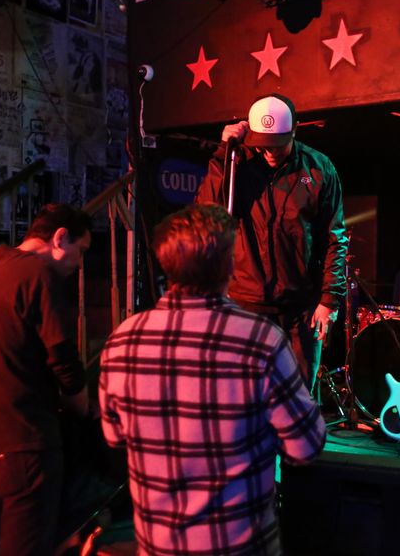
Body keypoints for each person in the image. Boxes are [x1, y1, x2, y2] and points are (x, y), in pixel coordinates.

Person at [99, 203, 326, 555]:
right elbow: (305, 446)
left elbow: (114, 436)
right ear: (229, 266)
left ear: (166, 263)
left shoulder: (122, 342)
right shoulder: (261, 341)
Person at [0, 203, 92, 556]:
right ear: (60, 238)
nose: (79, 264)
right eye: (81, 250)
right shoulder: (39, 275)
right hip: (24, 438)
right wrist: (84, 407)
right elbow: (64, 362)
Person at [196, 94, 348, 390]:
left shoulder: (318, 169)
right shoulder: (236, 162)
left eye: (279, 144)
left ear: (295, 130)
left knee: (299, 397)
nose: (271, 152)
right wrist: (224, 153)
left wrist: (329, 300)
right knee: (244, 396)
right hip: (245, 304)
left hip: (301, 309)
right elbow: (206, 213)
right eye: (263, 144)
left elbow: (334, 237)